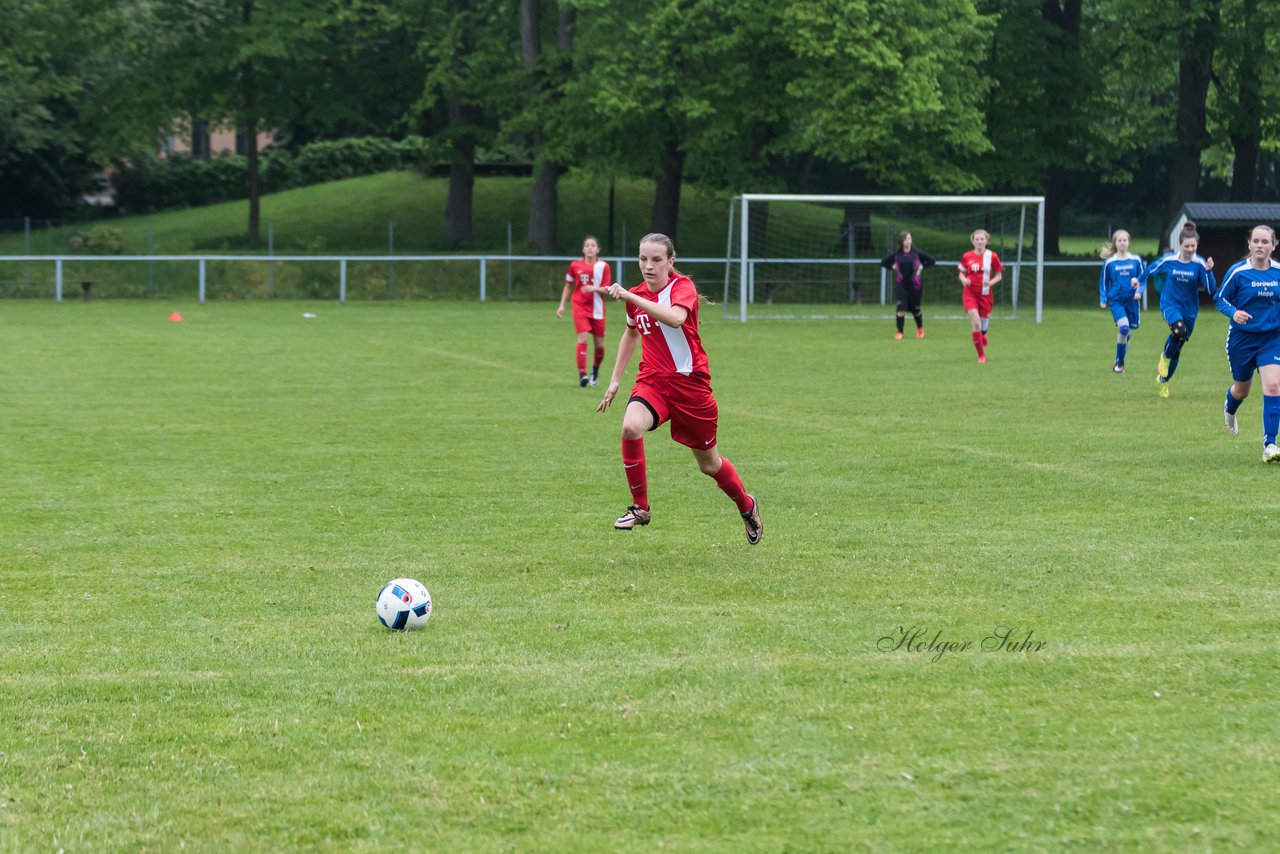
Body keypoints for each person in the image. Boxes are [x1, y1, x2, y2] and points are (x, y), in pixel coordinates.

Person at [596, 233, 762, 543]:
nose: (649, 266)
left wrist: (631, 297)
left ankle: (746, 505)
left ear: (671, 262)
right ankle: (640, 508)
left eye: (657, 260)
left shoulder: (681, 287)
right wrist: (616, 379)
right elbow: (631, 334)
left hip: (691, 388)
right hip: (653, 382)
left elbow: (674, 318)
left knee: (710, 465)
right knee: (631, 427)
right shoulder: (636, 295)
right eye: (643, 259)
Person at [1213, 224, 1280, 462]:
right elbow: (1219, 298)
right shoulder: (1238, 272)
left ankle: (1270, 444)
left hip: (1272, 339)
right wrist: (1233, 312)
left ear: (1274, 245)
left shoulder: (1278, 272)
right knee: (1242, 390)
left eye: (1265, 242)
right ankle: (1230, 409)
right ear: (1249, 244)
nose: (1260, 245)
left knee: (1273, 386)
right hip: (1242, 340)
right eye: (1256, 241)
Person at [1141, 222, 1216, 397]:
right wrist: (1138, 280)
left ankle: (1163, 381)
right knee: (1178, 331)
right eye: (1187, 246)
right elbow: (1152, 269)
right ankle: (1164, 357)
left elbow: (1211, 289)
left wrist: (1209, 271)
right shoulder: (1170, 260)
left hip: (1189, 311)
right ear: (1180, 245)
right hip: (1170, 305)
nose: (1190, 249)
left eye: (1193, 246)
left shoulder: (1200, 263)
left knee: (1179, 347)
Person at [556, 235, 611, 387]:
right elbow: (568, 285)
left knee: (599, 346)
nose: (590, 248)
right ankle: (582, 375)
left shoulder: (603, 267)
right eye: (587, 245)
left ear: (598, 249)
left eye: (593, 245)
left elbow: (607, 289)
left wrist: (594, 288)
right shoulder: (575, 266)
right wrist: (562, 305)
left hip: (598, 309)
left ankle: (595, 369)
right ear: (583, 249)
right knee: (583, 339)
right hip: (579, 306)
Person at [1097, 229, 1146, 373]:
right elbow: (1104, 283)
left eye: (1125, 240)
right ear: (1115, 243)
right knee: (1123, 328)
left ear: (1129, 242)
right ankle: (1119, 362)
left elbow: (1142, 280)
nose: (1122, 243)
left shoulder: (1136, 260)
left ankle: (1119, 360)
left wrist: (1138, 292)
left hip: (1132, 301)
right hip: (1116, 300)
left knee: (1127, 332)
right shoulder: (1109, 263)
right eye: (1119, 240)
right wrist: (1103, 298)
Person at [957, 229, 1002, 363]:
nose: (980, 241)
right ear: (972, 241)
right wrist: (964, 280)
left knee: (982, 327)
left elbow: (999, 275)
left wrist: (990, 282)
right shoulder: (967, 256)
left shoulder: (992, 256)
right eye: (977, 239)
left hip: (985, 295)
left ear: (987, 241)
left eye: (982, 239)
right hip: (970, 293)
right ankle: (981, 355)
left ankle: (983, 333)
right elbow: (961, 273)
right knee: (975, 323)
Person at [880, 231, 936, 339]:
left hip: (915, 286)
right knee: (901, 309)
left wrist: (922, 267)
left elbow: (932, 260)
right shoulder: (897, 255)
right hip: (902, 286)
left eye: (909, 239)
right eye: (906, 239)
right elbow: (883, 262)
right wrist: (893, 267)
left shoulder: (916, 253)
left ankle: (920, 329)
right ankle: (900, 332)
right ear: (901, 241)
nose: (908, 241)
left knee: (916, 310)